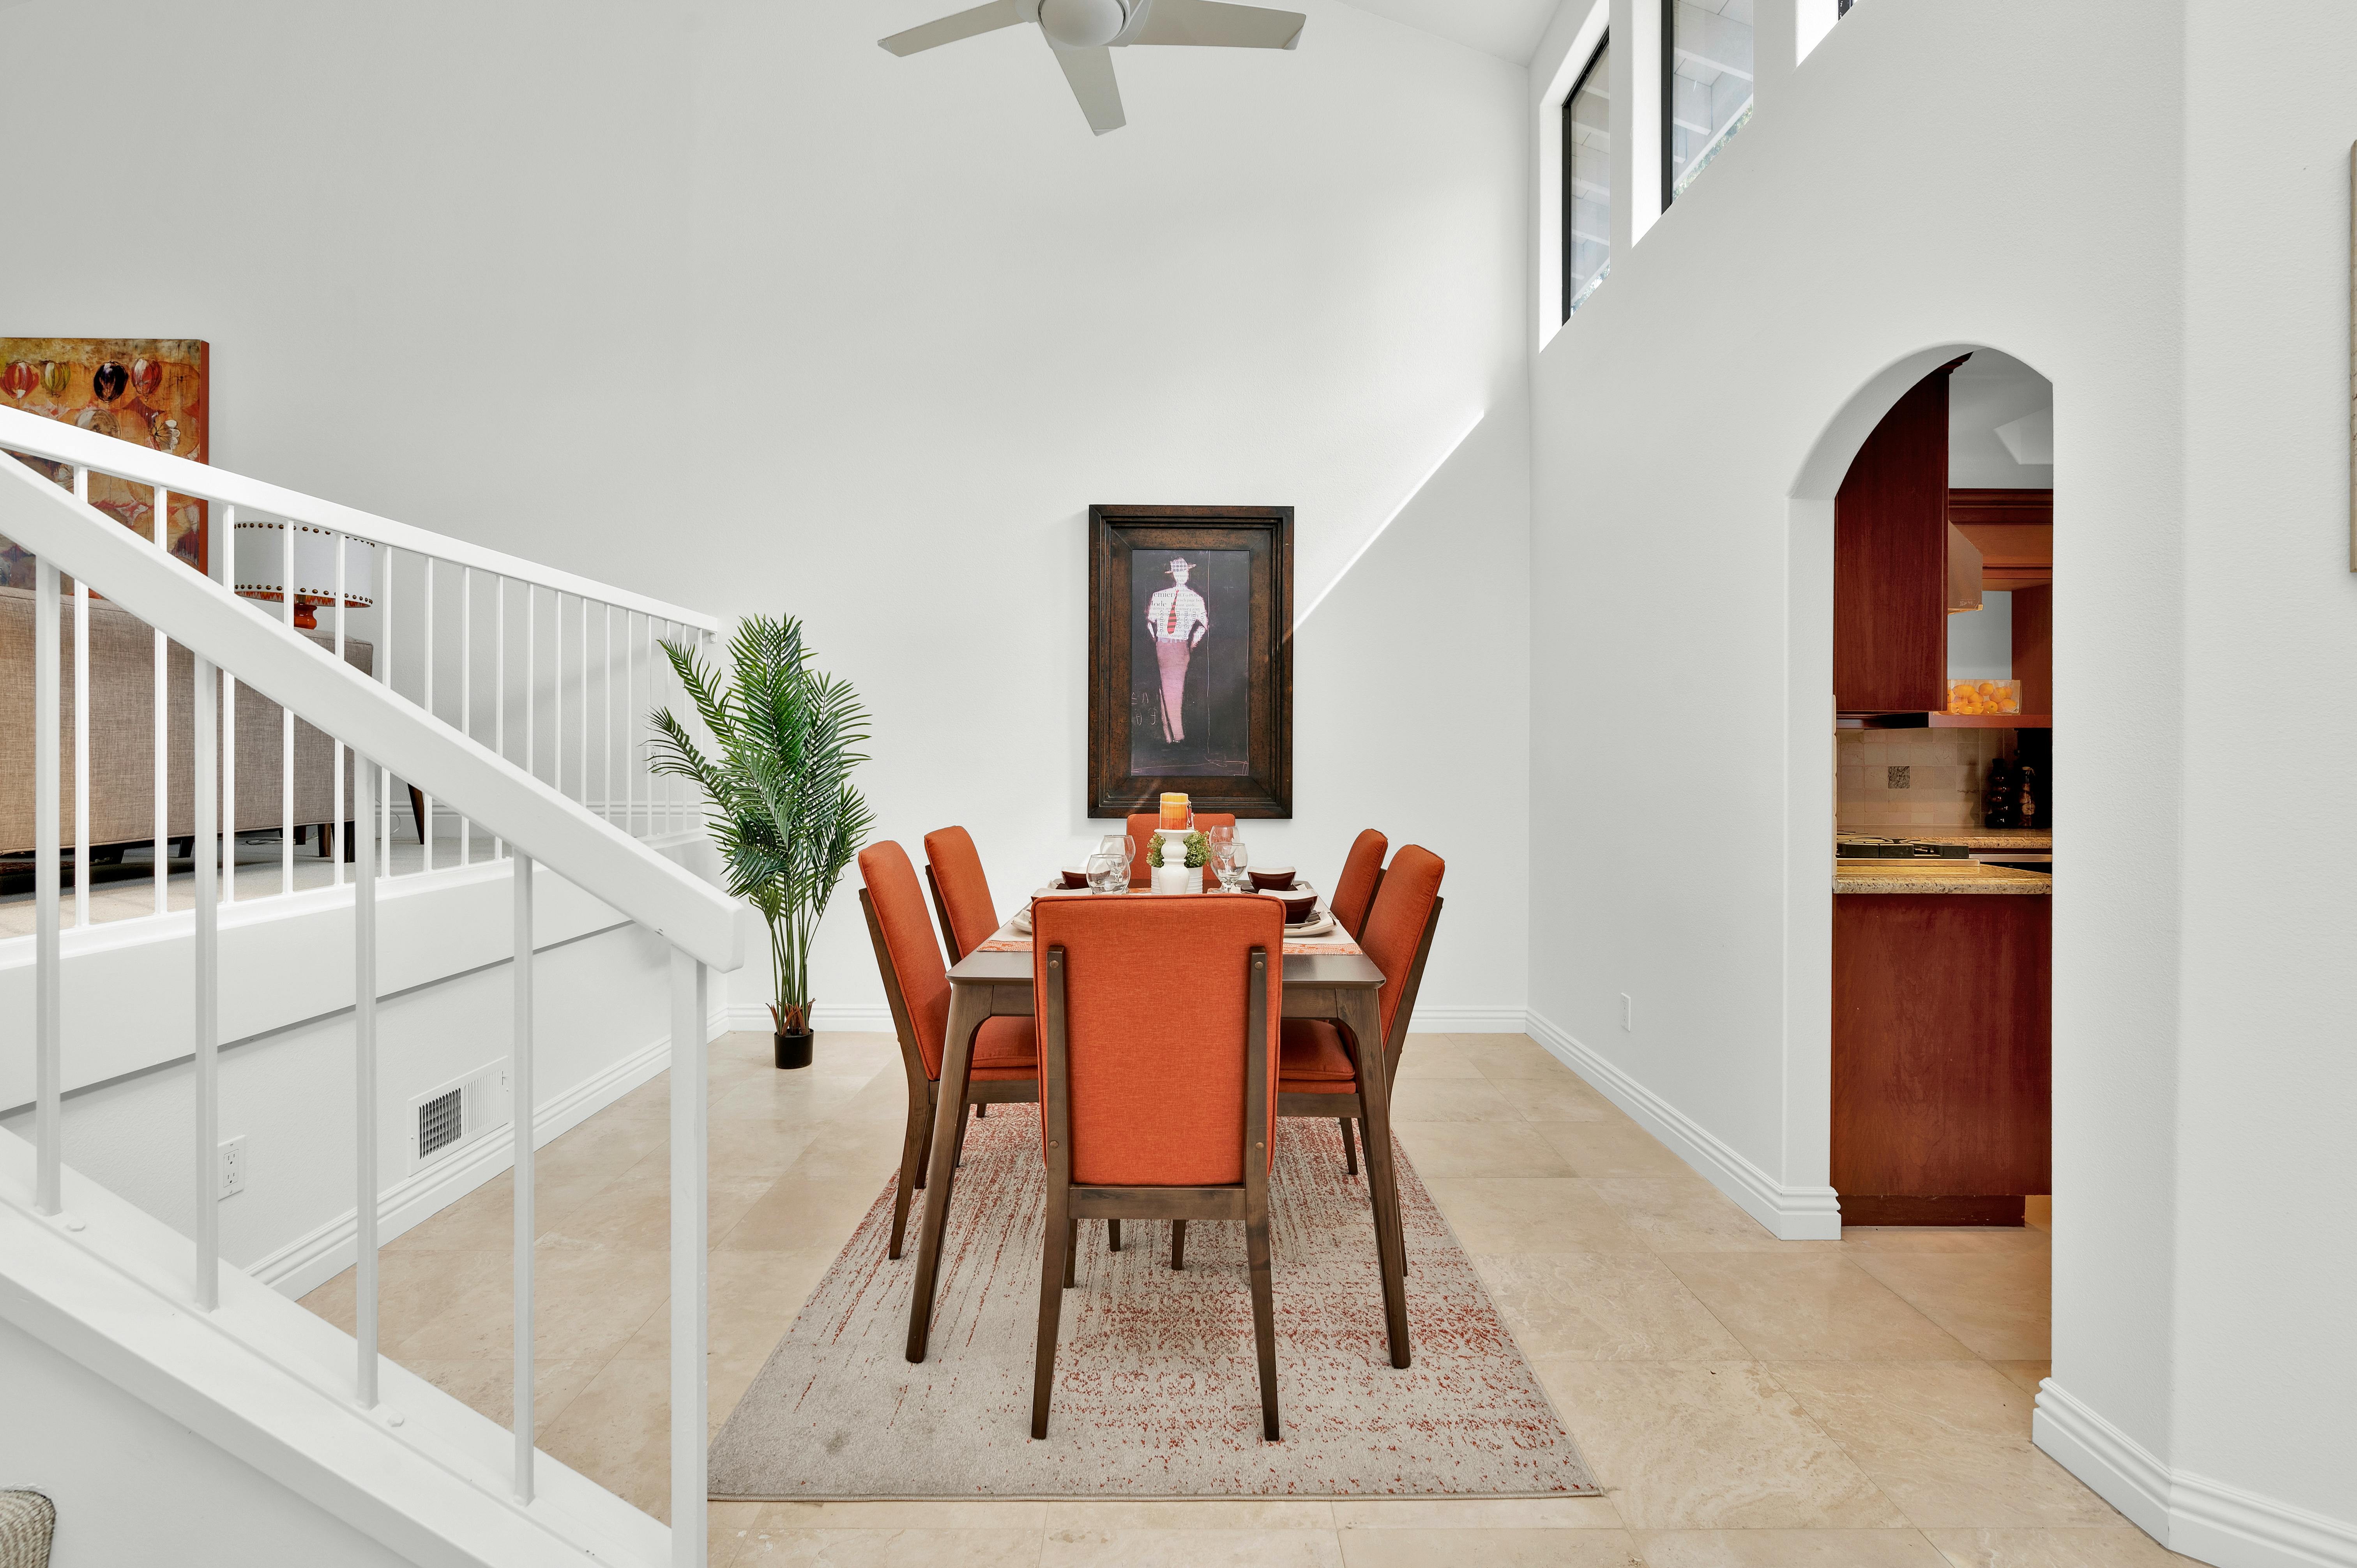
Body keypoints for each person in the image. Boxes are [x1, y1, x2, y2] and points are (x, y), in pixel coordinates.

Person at [1144, 556, 1209, 744]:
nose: (1182, 575)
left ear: (1188, 573)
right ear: (1173, 575)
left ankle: (1176, 736)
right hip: (1164, 646)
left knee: (1172, 689)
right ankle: (1171, 737)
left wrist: (1191, 644)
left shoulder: (1196, 599)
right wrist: (1157, 640)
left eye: (1185, 571)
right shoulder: (1159, 596)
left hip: (1180, 646)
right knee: (1167, 689)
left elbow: (1204, 625)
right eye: (1179, 572)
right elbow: (1150, 623)